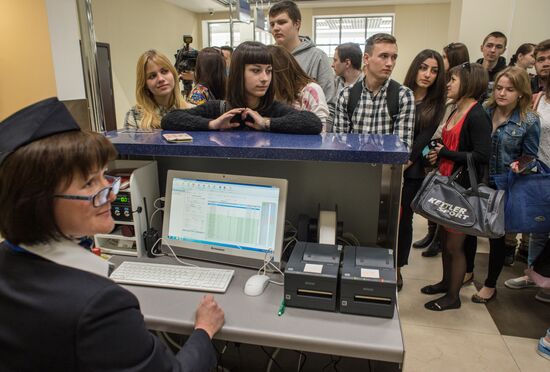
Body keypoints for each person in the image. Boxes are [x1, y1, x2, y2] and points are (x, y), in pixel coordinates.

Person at [0, 97, 224, 371]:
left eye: (105, 176)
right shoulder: (100, 305)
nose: (111, 193)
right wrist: (204, 330)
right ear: (37, 201)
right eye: (89, 183)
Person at [422, 62, 492, 311]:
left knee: (455, 246)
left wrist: (447, 154)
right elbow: (447, 144)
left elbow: (482, 155)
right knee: (445, 240)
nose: (448, 83)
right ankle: (445, 283)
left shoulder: (477, 114)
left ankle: (453, 297)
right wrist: (438, 154)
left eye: (453, 79)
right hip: (446, 184)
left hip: (461, 190)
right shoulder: (454, 110)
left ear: (469, 83)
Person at [470, 67, 541, 303]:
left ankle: (490, 284)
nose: (502, 93)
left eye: (509, 89)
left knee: (496, 237)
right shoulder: (484, 110)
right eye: (499, 88)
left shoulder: (529, 121)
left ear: (521, 92)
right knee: (470, 229)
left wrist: (519, 165)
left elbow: (530, 156)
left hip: (502, 184)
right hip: (477, 178)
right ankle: (468, 272)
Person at [161, 41, 322, 134]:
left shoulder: (273, 109)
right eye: (256, 70)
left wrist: (266, 123)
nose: (265, 78)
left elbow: (313, 123)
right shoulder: (220, 109)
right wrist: (212, 124)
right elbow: (170, 119)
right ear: (238, 73)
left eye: (269, 71)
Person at [396, 49, 447, 291]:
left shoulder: (436, 105)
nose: (427, 74)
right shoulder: (399, 94)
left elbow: (424, 140)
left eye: (434, 70)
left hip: (411, 170)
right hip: (388, 165)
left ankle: (396, 268)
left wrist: (403, 163)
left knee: (403, 221)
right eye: (423, 67)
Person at [418, 41, 471, 259]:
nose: (441, 61)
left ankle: (438, 239)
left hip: (446, 155)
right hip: (433, 151)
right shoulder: (443, 89)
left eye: (445, 58)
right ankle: (432, 234)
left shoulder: (453, 97)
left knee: (441, 199)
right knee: (430, 192)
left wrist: (435, 150)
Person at [505, 68, 550, 302]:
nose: (545, 64)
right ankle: (533, 274)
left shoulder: (534, 112)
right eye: (540, 59)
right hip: (540, 171)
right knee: (538, 228)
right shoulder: (538, 98)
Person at [333, 33, 415, 149]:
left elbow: (402, 149)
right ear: (366, 59)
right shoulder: (346, 95)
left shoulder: (403, 96)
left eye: (394, 57)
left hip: (385, 166)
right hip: (352, 165)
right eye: (384, 56)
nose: (390, 63)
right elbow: (339, 144)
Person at [268, 0, 335, 103]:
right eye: (272, 24)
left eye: (282, 22)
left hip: (307, 118)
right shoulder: (267, 56)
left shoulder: (317, 57)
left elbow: (329, 103)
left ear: (297, 24)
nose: (275, 28)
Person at [267, 44, 329, 130]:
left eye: (268, 71)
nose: (263, 78)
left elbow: (321, 129)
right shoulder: (266, 92)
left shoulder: (310, 91)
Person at [124, 49, 189, 129]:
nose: (160, 79)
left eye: (164, 71)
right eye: (152, 76)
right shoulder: (134, 116)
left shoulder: (191, 111)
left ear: (173, 74)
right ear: (145, 84)